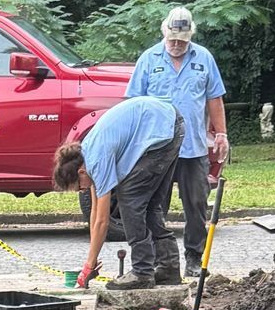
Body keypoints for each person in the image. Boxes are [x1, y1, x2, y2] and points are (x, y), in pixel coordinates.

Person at [125, 7, 228, 275]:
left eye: (182, 41)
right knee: (155, 206)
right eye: (172, 40)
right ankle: (162, 260)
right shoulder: (148, 60)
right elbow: (133, 104)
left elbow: (214, 98)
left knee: (196, 203)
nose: (176, 45)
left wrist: (221, 134)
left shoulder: (204, 58)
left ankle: (194, 258)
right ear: (163, 32)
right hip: (157, 149)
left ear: (190, 36)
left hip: (193, 147)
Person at [52, 94, 182, 289]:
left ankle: (142, 272)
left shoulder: (96, 161)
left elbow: (103, 220)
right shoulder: (88, 153)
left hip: (163, 128)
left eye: (80, 186)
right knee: (149, 204)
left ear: (81, 171)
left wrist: (89, 265)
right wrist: (90, 263)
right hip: (169, 124)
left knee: (129, 200)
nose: (83, 190)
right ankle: (168, 267)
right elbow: (95, 216)